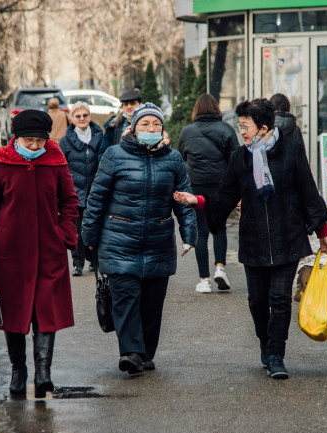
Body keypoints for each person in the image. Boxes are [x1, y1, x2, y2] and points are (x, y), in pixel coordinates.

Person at [174, 98, 327, 380]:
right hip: (254, 238)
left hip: (288, 236)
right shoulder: (240, 157)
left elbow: (309, 192)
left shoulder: (292, 151)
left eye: (245, 126)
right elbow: (224, 197)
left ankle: (276, 354)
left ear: (262, 128)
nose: (241, 132)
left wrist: (323, 234)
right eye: (240, 126)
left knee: (280, 300)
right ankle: (265, 342)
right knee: (257, 302)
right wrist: (197, 200)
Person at [83, 103, 197, 376]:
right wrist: (89, 236)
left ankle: (146, 353)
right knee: (126, 298)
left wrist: (189, 234)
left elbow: (183, 200)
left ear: (162, 128)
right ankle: (131, 353)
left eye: (156, 125)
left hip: (158, 241)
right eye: (145, 124)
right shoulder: (114, 155)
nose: (151, 129)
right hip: (119, 240)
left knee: (152, 303)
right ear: (133, 127)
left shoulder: (173, 159)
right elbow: (96, 199)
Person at [0, 109, 79, 398]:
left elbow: (70, 201)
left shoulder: (55, 161)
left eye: (39, 141)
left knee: (46, 311)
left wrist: (64, 233)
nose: (34, 147)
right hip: (11, 252)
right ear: (16, 138)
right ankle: (19, 371)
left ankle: (44, 373)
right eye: (29, 141)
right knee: (15, 313)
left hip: (49, 250)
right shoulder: (0, 163)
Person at [178, 93, 240, 294]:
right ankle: (220, 268)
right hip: (221, 186)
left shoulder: (187, 131)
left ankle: (204, 279)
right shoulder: (226, 129)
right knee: (219, 227)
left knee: (201, 231)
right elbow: (236, 160)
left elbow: (182, 157)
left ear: (196, 110)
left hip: (196, 186)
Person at [58, 101, 104, 276]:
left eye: (85, 115)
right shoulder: (66, 141)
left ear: (90, 117)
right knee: (77, 230)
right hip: (75, 192)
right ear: (72, 118)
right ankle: (78, 263)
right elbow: (61, 167)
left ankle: (94, 260)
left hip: (96, 191)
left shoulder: (100, 137)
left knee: (95, 226)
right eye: (78, 116)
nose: (82, 118)